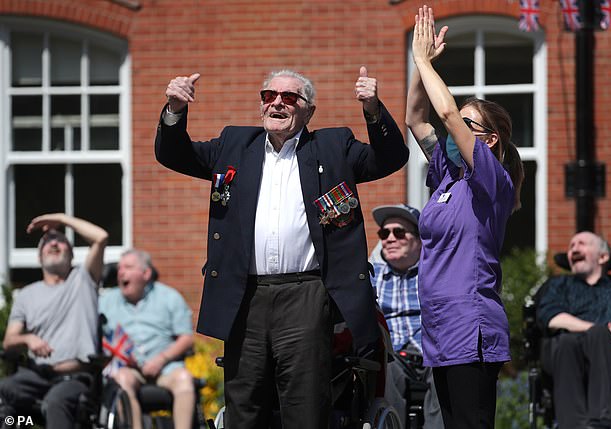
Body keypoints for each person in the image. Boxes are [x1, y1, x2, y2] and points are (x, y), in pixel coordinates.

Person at [155, 67, 408, 428]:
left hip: (306, 294)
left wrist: (372, 109)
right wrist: (175, 110)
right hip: (246, 295)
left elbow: (391, 158)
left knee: (304, 405)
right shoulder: (234, 144)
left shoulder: (333, 146)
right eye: (268, 96)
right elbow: (174, 155)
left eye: (289, 98)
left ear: (309, 111)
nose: (276, 103)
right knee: (245, 404)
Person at [407, 6, 525, 428]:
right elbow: (416, 118)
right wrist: (420, 66)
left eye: (469, 125)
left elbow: (446, 114)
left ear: (489, 140)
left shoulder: (491, 181)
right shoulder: (447, 175)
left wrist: (423, 60)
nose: (457, 131)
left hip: (470, 324)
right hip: (438, 326)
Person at [0, 214, 108, 429]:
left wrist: (61, 219)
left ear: (71, 253)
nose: (54, 243)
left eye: (60, 240)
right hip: (35, 376)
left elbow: (101, 237)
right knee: (5, 396)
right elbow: (9, 341)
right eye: (47, 242)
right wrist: (28, 339)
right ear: (40, 257)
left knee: (54, 403)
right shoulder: (26, 295)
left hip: (75, 377)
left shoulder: (84, 279)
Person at [536, 231, 611, 429]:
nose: (574, 249)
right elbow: (551, 317)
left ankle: (602, 423)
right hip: (566, 353)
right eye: (571, 246)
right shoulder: (558, 285)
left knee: (600, 336)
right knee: (569, 341)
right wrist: (598, 328)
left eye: (581, 244)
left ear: (603, 257)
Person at [99, 249, 196, 429]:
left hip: (165, 367)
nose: (121, 272)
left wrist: (161, 360)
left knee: (184, 379)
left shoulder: (169, 297)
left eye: (128, 267)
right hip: (128, 368)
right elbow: (95, 335)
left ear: (146, 273)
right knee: (121, 379)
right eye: (120, 268)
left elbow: (186, 338)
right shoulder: (106, 301)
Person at [370, 203, 443, 428]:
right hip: (393, 356)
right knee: (383, 364)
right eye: (384, 233)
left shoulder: (437, 273)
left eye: (399, 232)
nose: (390, 238)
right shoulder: (371, 276)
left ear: (419, 240)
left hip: (432, 353)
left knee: (449, 367)